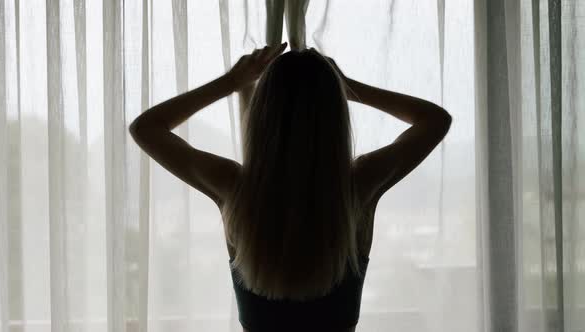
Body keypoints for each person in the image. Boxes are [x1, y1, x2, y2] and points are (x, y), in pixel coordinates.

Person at [129, 42, 452, 332]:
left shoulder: (234, 187)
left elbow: (147, 128)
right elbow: (434, 120)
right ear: (336, 117)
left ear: (260, 116)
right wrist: (350, 86)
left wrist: (230, 82)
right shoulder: (359, 185)